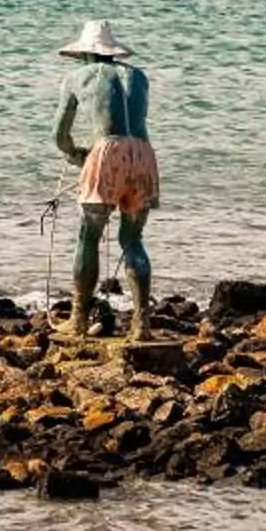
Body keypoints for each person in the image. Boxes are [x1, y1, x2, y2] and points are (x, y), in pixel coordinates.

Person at [51, 18, 158, 338]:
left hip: (107, 151)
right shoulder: (139, 77)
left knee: (89, 236)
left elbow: (59, 134)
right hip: (143, 153)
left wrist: (76, 154)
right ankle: (142, 323)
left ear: (84, 53)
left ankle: (79, 319)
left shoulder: (77, 76)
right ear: (113, 53)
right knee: (132, 240)